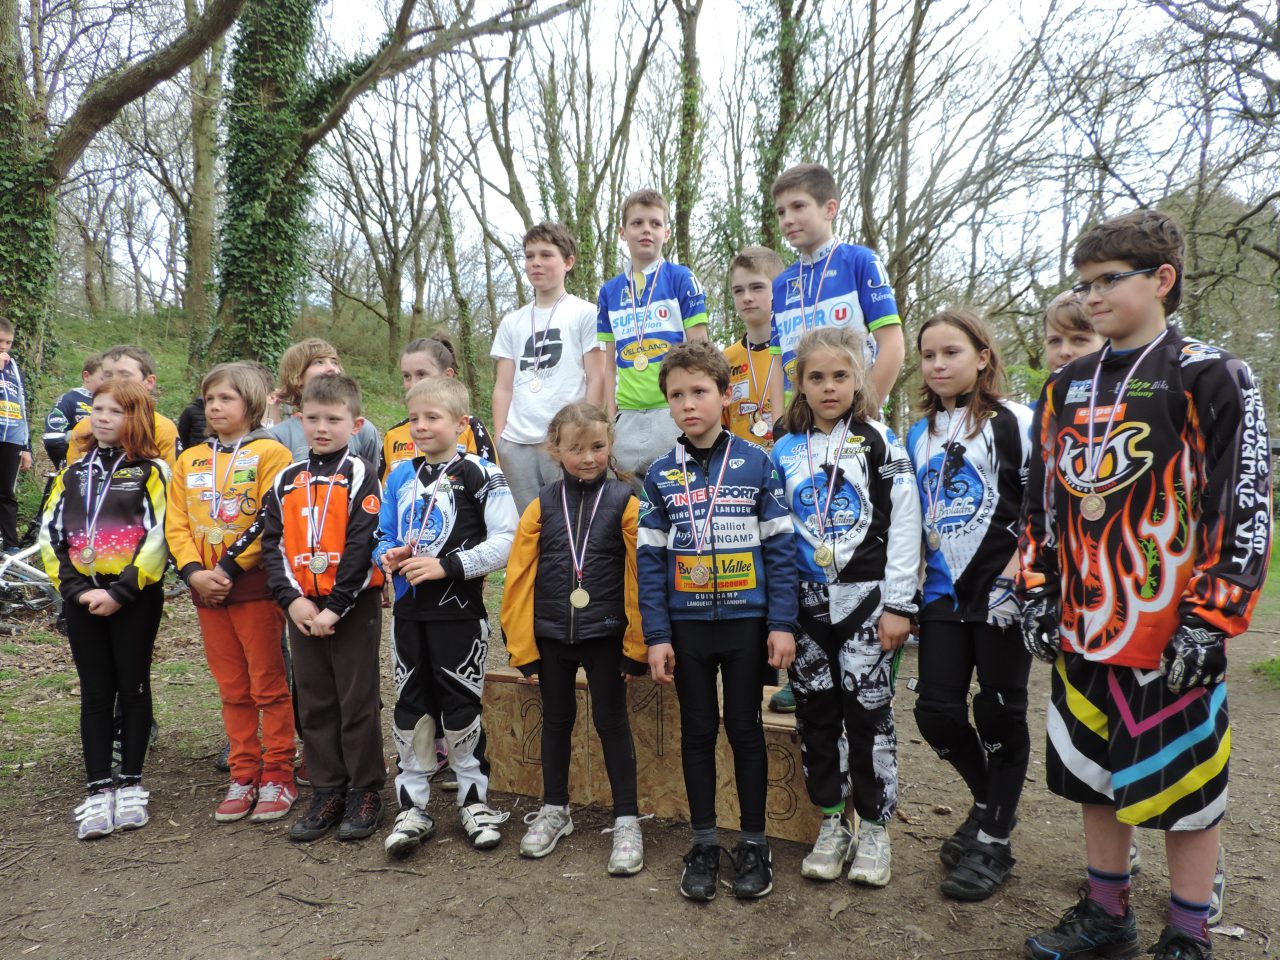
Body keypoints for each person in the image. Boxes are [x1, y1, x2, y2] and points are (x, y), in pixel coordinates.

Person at [1020, 210, 1271, 960]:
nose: (1091, 296)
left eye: (1108, 281)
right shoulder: (1064, 385)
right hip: (1087, 622)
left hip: (1173, 628)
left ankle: (1189, 932)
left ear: (1161, 280)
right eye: (1083, 283)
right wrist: (1037, 586)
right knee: (1094, 778)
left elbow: (1243, 499)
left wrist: (1212, 615)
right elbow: (1042, 499)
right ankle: (1106, 916)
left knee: (1187, 790)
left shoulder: (1212, 373)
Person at [639, 341, 797, 901]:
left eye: (700, 391)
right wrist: (657, 635)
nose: (688, 404)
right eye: (677, 395)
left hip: (747, 624)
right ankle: (704, 841)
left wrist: (782, 623)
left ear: (725, 396)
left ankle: (754, 842)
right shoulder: (659, 474)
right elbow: (650, 560)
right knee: (698, 731)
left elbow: (780, 550)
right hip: (686, 627)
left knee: (746, 729)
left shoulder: (758, 462)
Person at [770, 327, 921, 888]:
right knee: (815, 715)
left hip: (867, 599)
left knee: (869, 714)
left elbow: (906, 524)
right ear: (800, 383)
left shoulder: (880, 440)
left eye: (840, 375)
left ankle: (876, 829)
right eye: (816, 377)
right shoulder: (784, 448)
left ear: (858, 378)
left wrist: (901, 604)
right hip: (807, 605)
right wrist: (780, 614)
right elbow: (777, 536)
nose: (829, 387)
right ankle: (833, 822)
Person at [905, 308, 1033, 901]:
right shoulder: (917, 432)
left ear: (982, 356)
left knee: (1001, 714)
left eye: (950, 353)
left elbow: (1046, 503)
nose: (937, 365)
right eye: (928, 355)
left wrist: (1022, 570)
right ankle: (987, 802)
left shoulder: (1016, 421)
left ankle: (997, 840)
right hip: (939, 595)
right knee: (936, 713)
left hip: (1000, 593)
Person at [501, 401, 647, 874]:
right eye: (576, 448)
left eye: (598, 447)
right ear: (555, 450)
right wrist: (522, 647)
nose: (588, 457)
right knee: (557, 721)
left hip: (606, 634)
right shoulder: (541, 504)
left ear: (611, 446)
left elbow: (640, 575)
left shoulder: (626, 502)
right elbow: (519, 577)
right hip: (551, 636)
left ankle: (626, 818)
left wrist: (637, 645)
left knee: (612, 722)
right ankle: (554, 809)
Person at [374, 376, 517, 857]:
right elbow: (381, 536)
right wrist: (388, 556)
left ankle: (474, 800)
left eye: (432, 418)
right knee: (411, 707)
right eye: (413, 418)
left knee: (460, 707)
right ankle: (412, 804)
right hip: (409, 616)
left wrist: (447, 566)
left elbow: (506, 540)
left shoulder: (483, 472)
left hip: (460, 613)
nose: (420, 427)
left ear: (460, 423)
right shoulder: (398, 476)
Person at [248, 373, 386, 842]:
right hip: (304, 610)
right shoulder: (287, 478)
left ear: (356, 423)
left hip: (352, 605)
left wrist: (337, 606)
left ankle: (365, 789)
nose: (322, 427)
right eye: (312, 418)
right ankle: (327, 788)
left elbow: (362, 543)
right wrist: (293, 602)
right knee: (314, 700)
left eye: (334, 419)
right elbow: (274, 546)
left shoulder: (363, 473)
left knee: (356, 699)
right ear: (298, 419)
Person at [38, 379, 169, 839]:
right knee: (95, 692)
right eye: (98, 408)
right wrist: (75, 590)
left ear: (138, 417)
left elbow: (159, 535)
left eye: (117, 410)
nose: (105, 417)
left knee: (132, 686)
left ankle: (131, 782)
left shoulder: (152, 471)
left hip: (133, 597)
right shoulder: (72, 473)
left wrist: (121, 590)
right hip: (82, 598)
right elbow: (49, 535)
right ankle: (97, 790)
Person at [167, 363, 296, 824]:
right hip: (207, 592)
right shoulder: (190, 459)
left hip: (253, 589)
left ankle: (279, 772)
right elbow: (177, 522)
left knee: (268, 685)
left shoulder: (271, 453)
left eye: (226, 399)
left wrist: (225, 568)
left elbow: (269, 518)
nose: (215, 407)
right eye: (209, 400)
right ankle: (243, 773)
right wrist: (193, 572)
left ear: (252, 403)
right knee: (232, 689)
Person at [597, 189, 709, 487]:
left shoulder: (681, 279)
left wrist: (694, 407)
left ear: (667, 232)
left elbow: (702, 352)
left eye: (655, 224)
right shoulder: (609, 292)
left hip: (671, 411)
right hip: (628, 415)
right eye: (637, 223)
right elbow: (608, 364)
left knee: (680, 502)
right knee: (630, 514)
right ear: (622, 231)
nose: (646, 230)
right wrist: (611, 420)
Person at [491, 223, 606, 513]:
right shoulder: (511, 322)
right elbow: (503, 386)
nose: (536, 263)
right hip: (516, 443)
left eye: (546, 255)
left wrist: (586, 434)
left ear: (568, 262)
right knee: (529, 527)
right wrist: (500, 438)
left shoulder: (586, 314)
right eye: (529, 256)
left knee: (571, 521)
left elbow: (598, 377)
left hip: (565, 440)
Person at [769, 164, 905, 405]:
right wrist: (780, 425)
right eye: (781, 212)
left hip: (855, 418)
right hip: (800, 426)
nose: (787, 220)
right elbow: (776, 364)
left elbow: (893, 346)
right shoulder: (781, 284)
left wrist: (865, 412)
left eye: (798, 206)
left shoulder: (860, 262)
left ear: (829, 209)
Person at [383, 332, 498, 482]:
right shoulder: (394, 435)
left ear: (447, 375)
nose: (413, 384)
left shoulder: (472, 429)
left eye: (422, 374)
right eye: (406, 376)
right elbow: (384, 495)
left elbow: (492, 486)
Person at [67, 345, 181, 468]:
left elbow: (170, 482)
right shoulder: (85, 428)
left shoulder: (161, 429)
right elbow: (70, 479)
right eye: (108, 375)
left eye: (124, 375)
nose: (114, 382)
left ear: (149, 382)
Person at [269, 339, 380, 461]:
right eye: (319, 362)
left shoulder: (363, 431)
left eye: (335, 362)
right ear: (298, 376)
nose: (332, 368)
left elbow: (374, 476)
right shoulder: (280, 435)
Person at [724, 246, 788, 448]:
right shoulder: (724, 360)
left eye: (757, 287)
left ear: (777, 290)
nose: (747, 297)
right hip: (740, 469)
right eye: (738, 290)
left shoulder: (796, 353)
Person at [0, 317, 33, 550]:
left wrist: (26, 446)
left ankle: (11, 544)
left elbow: (21, 405)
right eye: (0, 341)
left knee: (6, 493)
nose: (4, 346)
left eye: (8, 342)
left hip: (11, 437)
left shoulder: (14, 367)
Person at [43, 353, 103, 469]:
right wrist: (65, 464)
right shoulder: (69, 399)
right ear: (86, 376)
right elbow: (53, 438)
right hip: (75, 465)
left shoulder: (113, 403)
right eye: (103, 378)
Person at [1043, 291, 1105, 373]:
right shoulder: (1050, 385)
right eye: (1055, 341)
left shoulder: (1124, 384)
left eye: (1079, 340)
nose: (1064, 352)